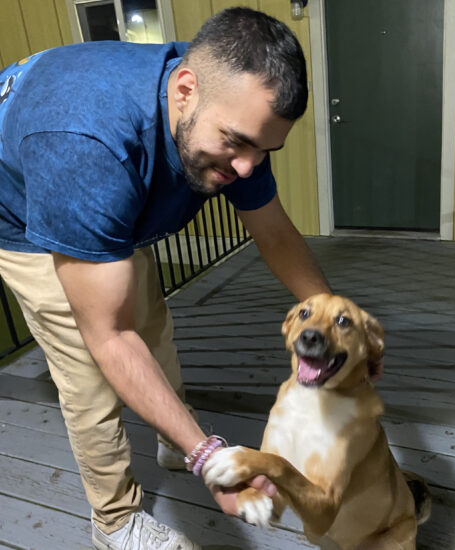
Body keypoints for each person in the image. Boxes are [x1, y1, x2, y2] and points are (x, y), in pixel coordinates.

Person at [0, 7, 332, 550]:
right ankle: (114, 522)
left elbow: (272, 230)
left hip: (104, 182)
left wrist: (337, 323)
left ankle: (175, 438)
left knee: (153, 323)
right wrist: (212, 460)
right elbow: (109, 337)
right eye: (236, 142)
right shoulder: (86, 144)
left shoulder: (232, 104)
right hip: (27, 209)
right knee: (88, 372)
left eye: (264, 150)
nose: (248, 167)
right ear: (184, 89)